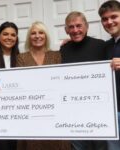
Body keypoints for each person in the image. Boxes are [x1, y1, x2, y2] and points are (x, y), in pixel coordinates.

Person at [16, 21, 70, 150]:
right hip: (31, 112)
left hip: (55, 111)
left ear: (46, 36)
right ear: (29, 37)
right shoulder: (21, 58)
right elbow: (21, 84)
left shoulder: (57, 55)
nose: (37, 36)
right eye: (33, 33)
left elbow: (62, 82)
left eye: (41, 32)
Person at [60, 11, 107, 150]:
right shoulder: (63, 49)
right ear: (66, 30)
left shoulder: (101, 45)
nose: (75, 30)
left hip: (99, 111)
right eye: (71, 27)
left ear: (87, 26)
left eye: (79, 26)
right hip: (73, 113)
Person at [0, 21, 19, 150]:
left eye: (13, 35)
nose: (9, 37)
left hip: (18, 115)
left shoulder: (22, 58)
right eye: (5, 34)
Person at [98, 0, 120, 150]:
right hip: (112, 113)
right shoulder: (106, 46)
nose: (109, 22)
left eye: (114, 16)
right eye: (105, 19)